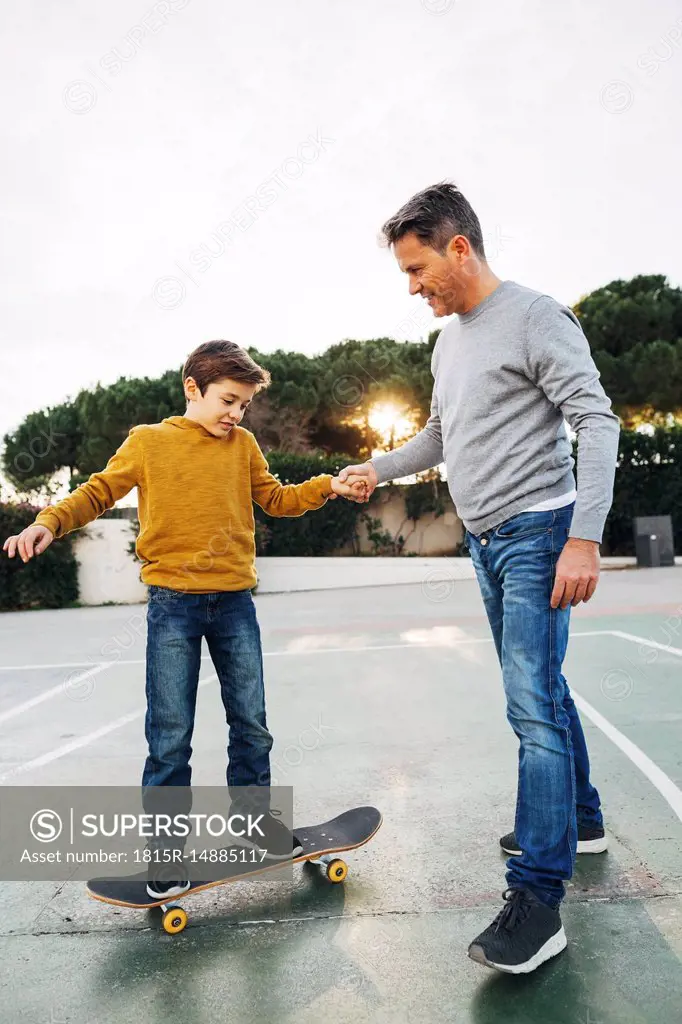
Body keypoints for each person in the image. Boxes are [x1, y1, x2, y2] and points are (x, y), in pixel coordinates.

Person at [340, 182, 620, 975]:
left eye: (418, 266)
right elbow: (440, 433)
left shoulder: (536, 316)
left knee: (530, 706)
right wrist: (377, 466)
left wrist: (584, 539)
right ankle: (583, 818)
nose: (412, 285)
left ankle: (538, 898)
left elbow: (597, 422)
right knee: (544, 693)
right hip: (487, 542)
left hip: (540, 535)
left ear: (460, 248)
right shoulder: (447, 341)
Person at [4, 339, 368, 898]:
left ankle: (254, 829)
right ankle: (165, 861)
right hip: (173, 606)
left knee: (251, 725)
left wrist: (328, 486)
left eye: (243, 404)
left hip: (235, 605)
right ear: (192, 388)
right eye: (227, 400)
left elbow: (275, 498)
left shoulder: (242, 445)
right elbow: (99, 490)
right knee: (170, 737)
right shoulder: (149, 442)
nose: (235, 413)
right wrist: (49, 523)